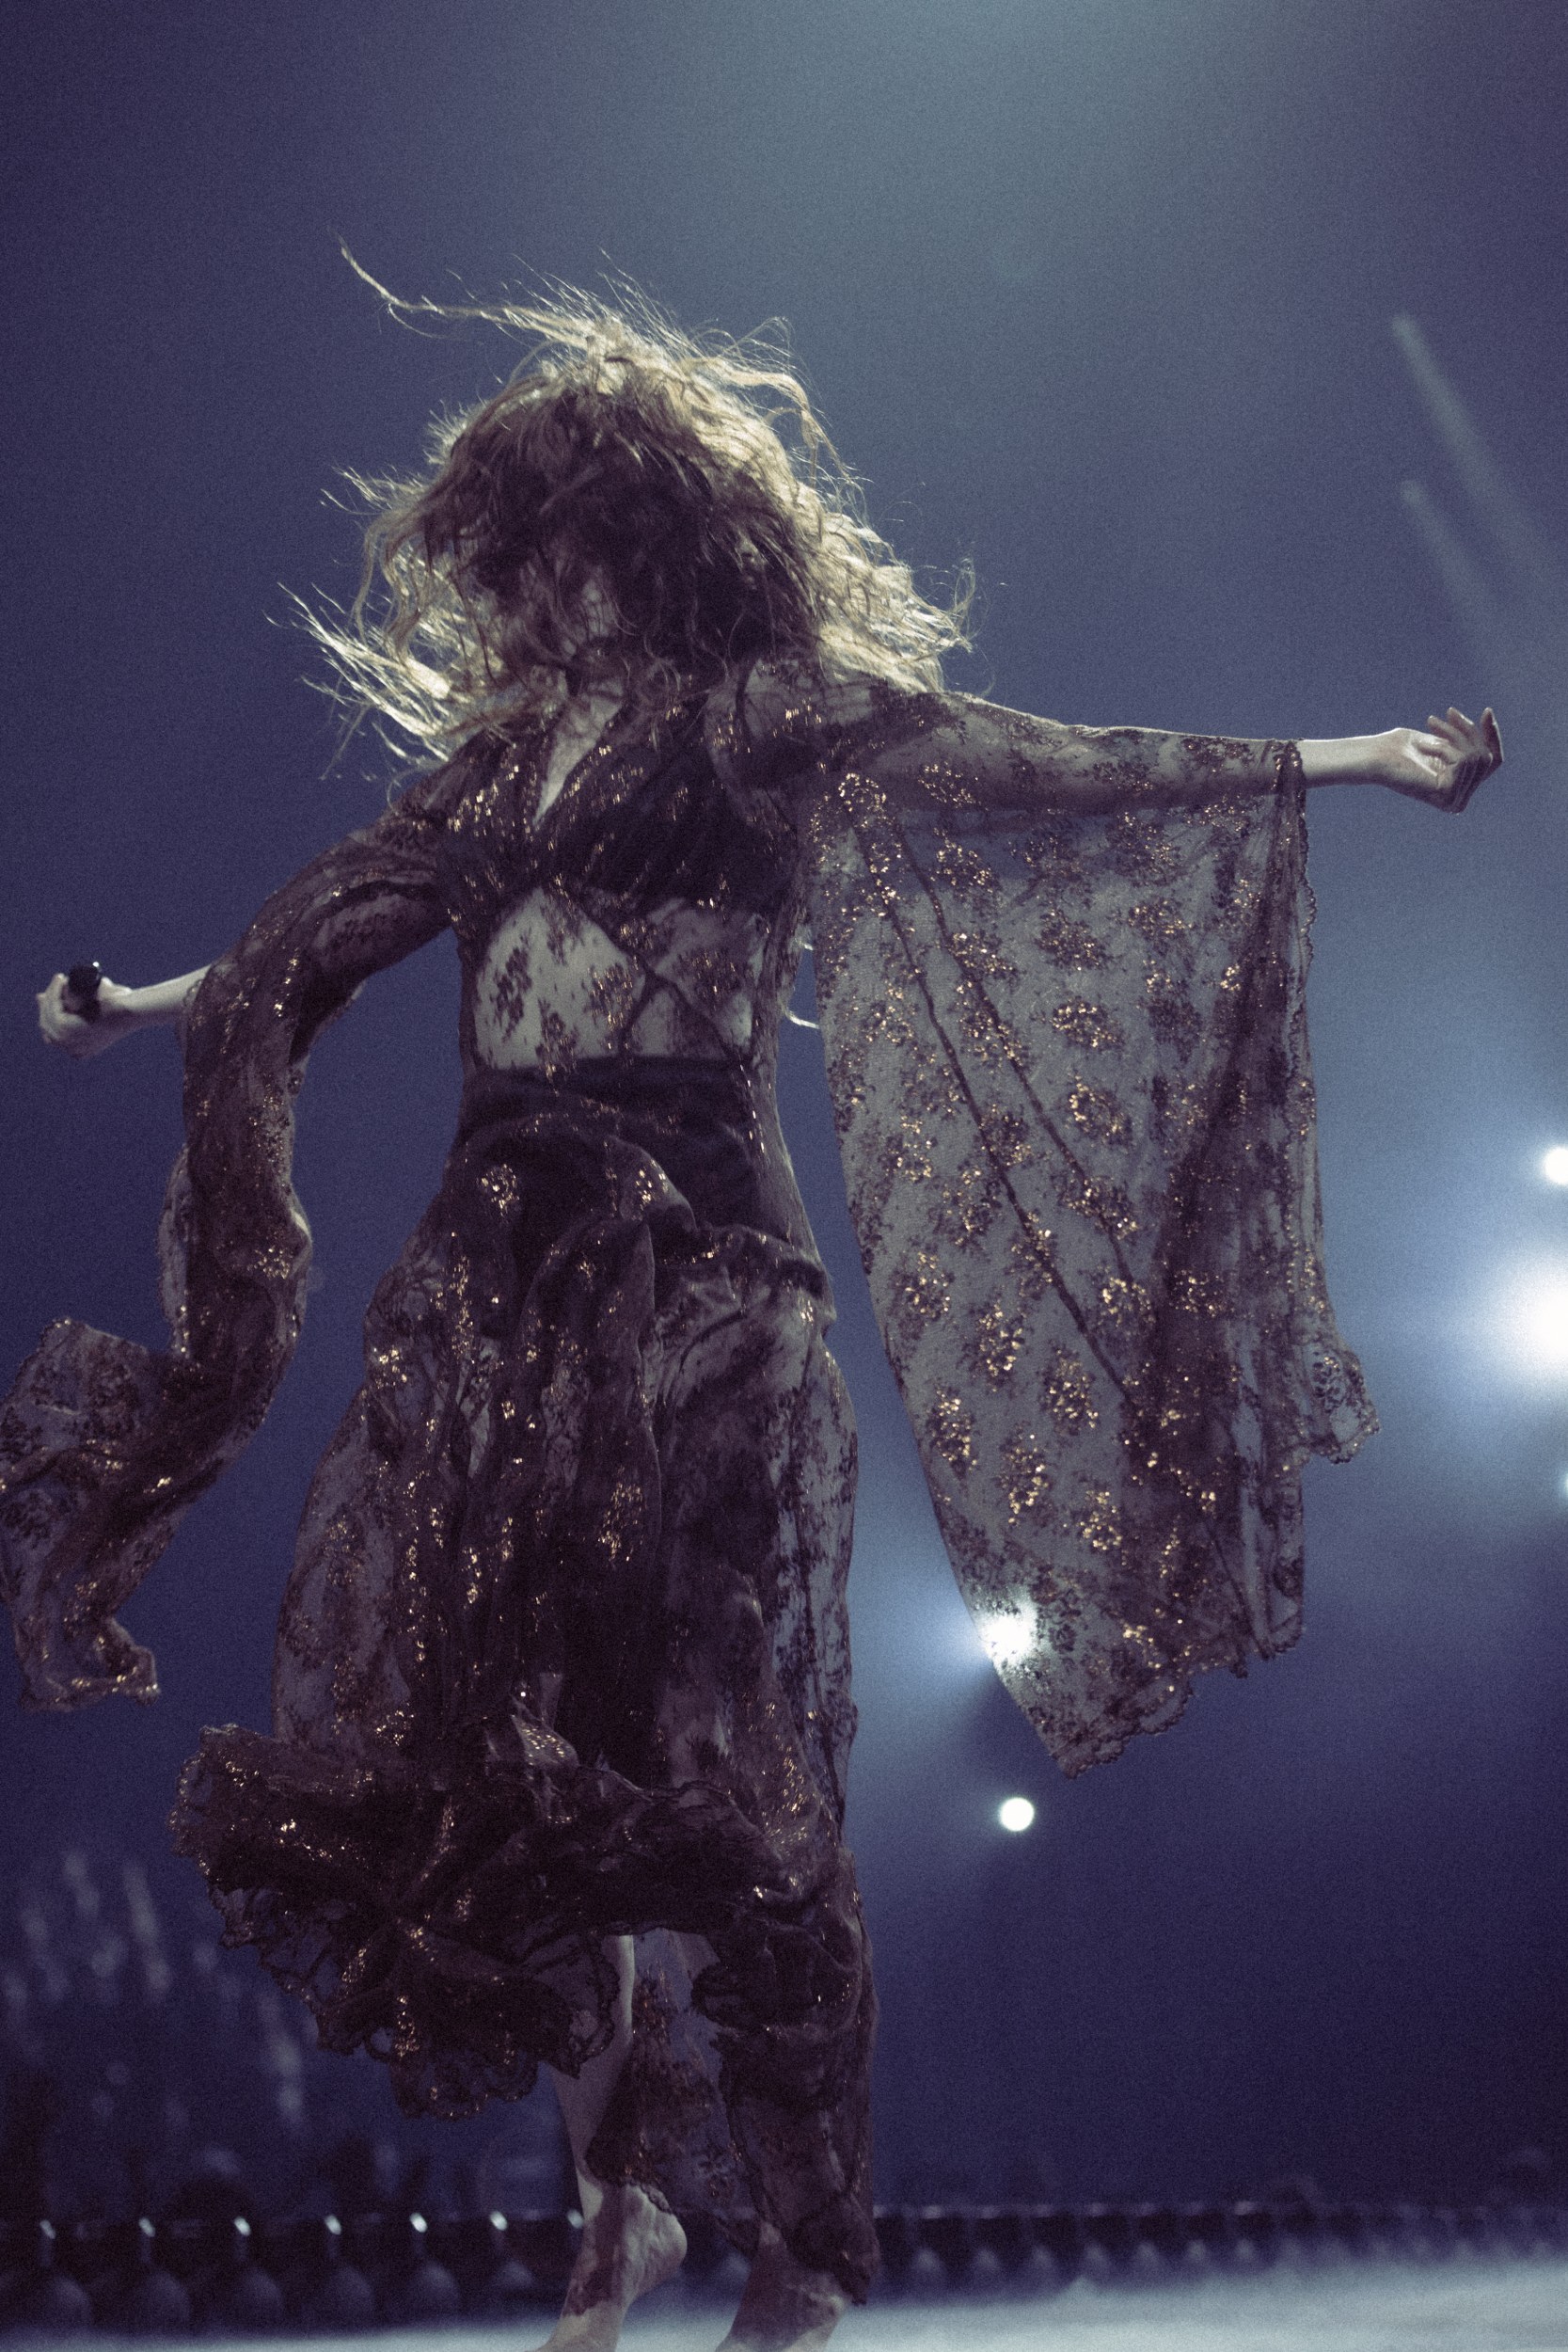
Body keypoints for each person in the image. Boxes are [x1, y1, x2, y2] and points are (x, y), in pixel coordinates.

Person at [1, 281, 1500, 2352]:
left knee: (714, 1757)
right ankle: (617, 2195)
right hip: (498, 1280)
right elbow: (314, 933)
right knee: (510, 1756)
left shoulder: (761, 708)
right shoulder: (501, 755)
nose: (537, 584)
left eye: (564, 543)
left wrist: (1350, 758)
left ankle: (795, 2231)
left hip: (700, 1264)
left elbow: (1028, 761)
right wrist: (136, 1006)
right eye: (511, 557)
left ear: (650, 528)